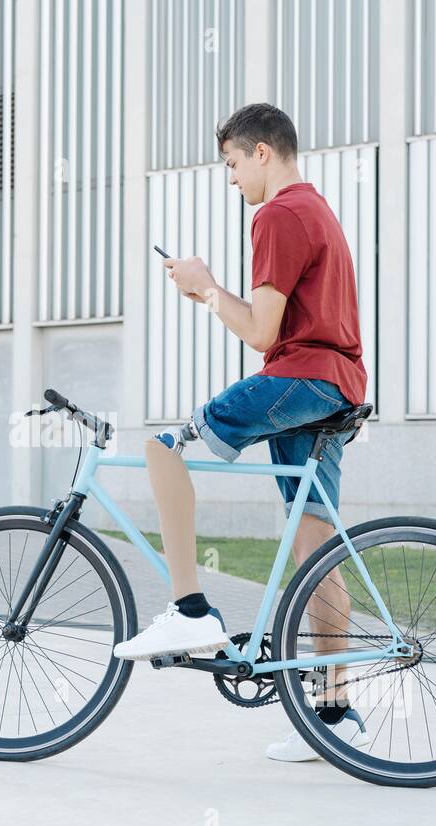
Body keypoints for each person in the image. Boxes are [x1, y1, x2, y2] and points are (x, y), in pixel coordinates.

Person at [111, 103, 371, 762]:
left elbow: (261, 332)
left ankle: (190, 610)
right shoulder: (317, 210)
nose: (231, 179)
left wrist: (204, 289)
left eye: (231, 163)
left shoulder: (278, 214)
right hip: (337, 385)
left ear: (262, 152)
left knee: (163, 447)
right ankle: (332, 713)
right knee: (316, 548)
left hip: (304, 378)